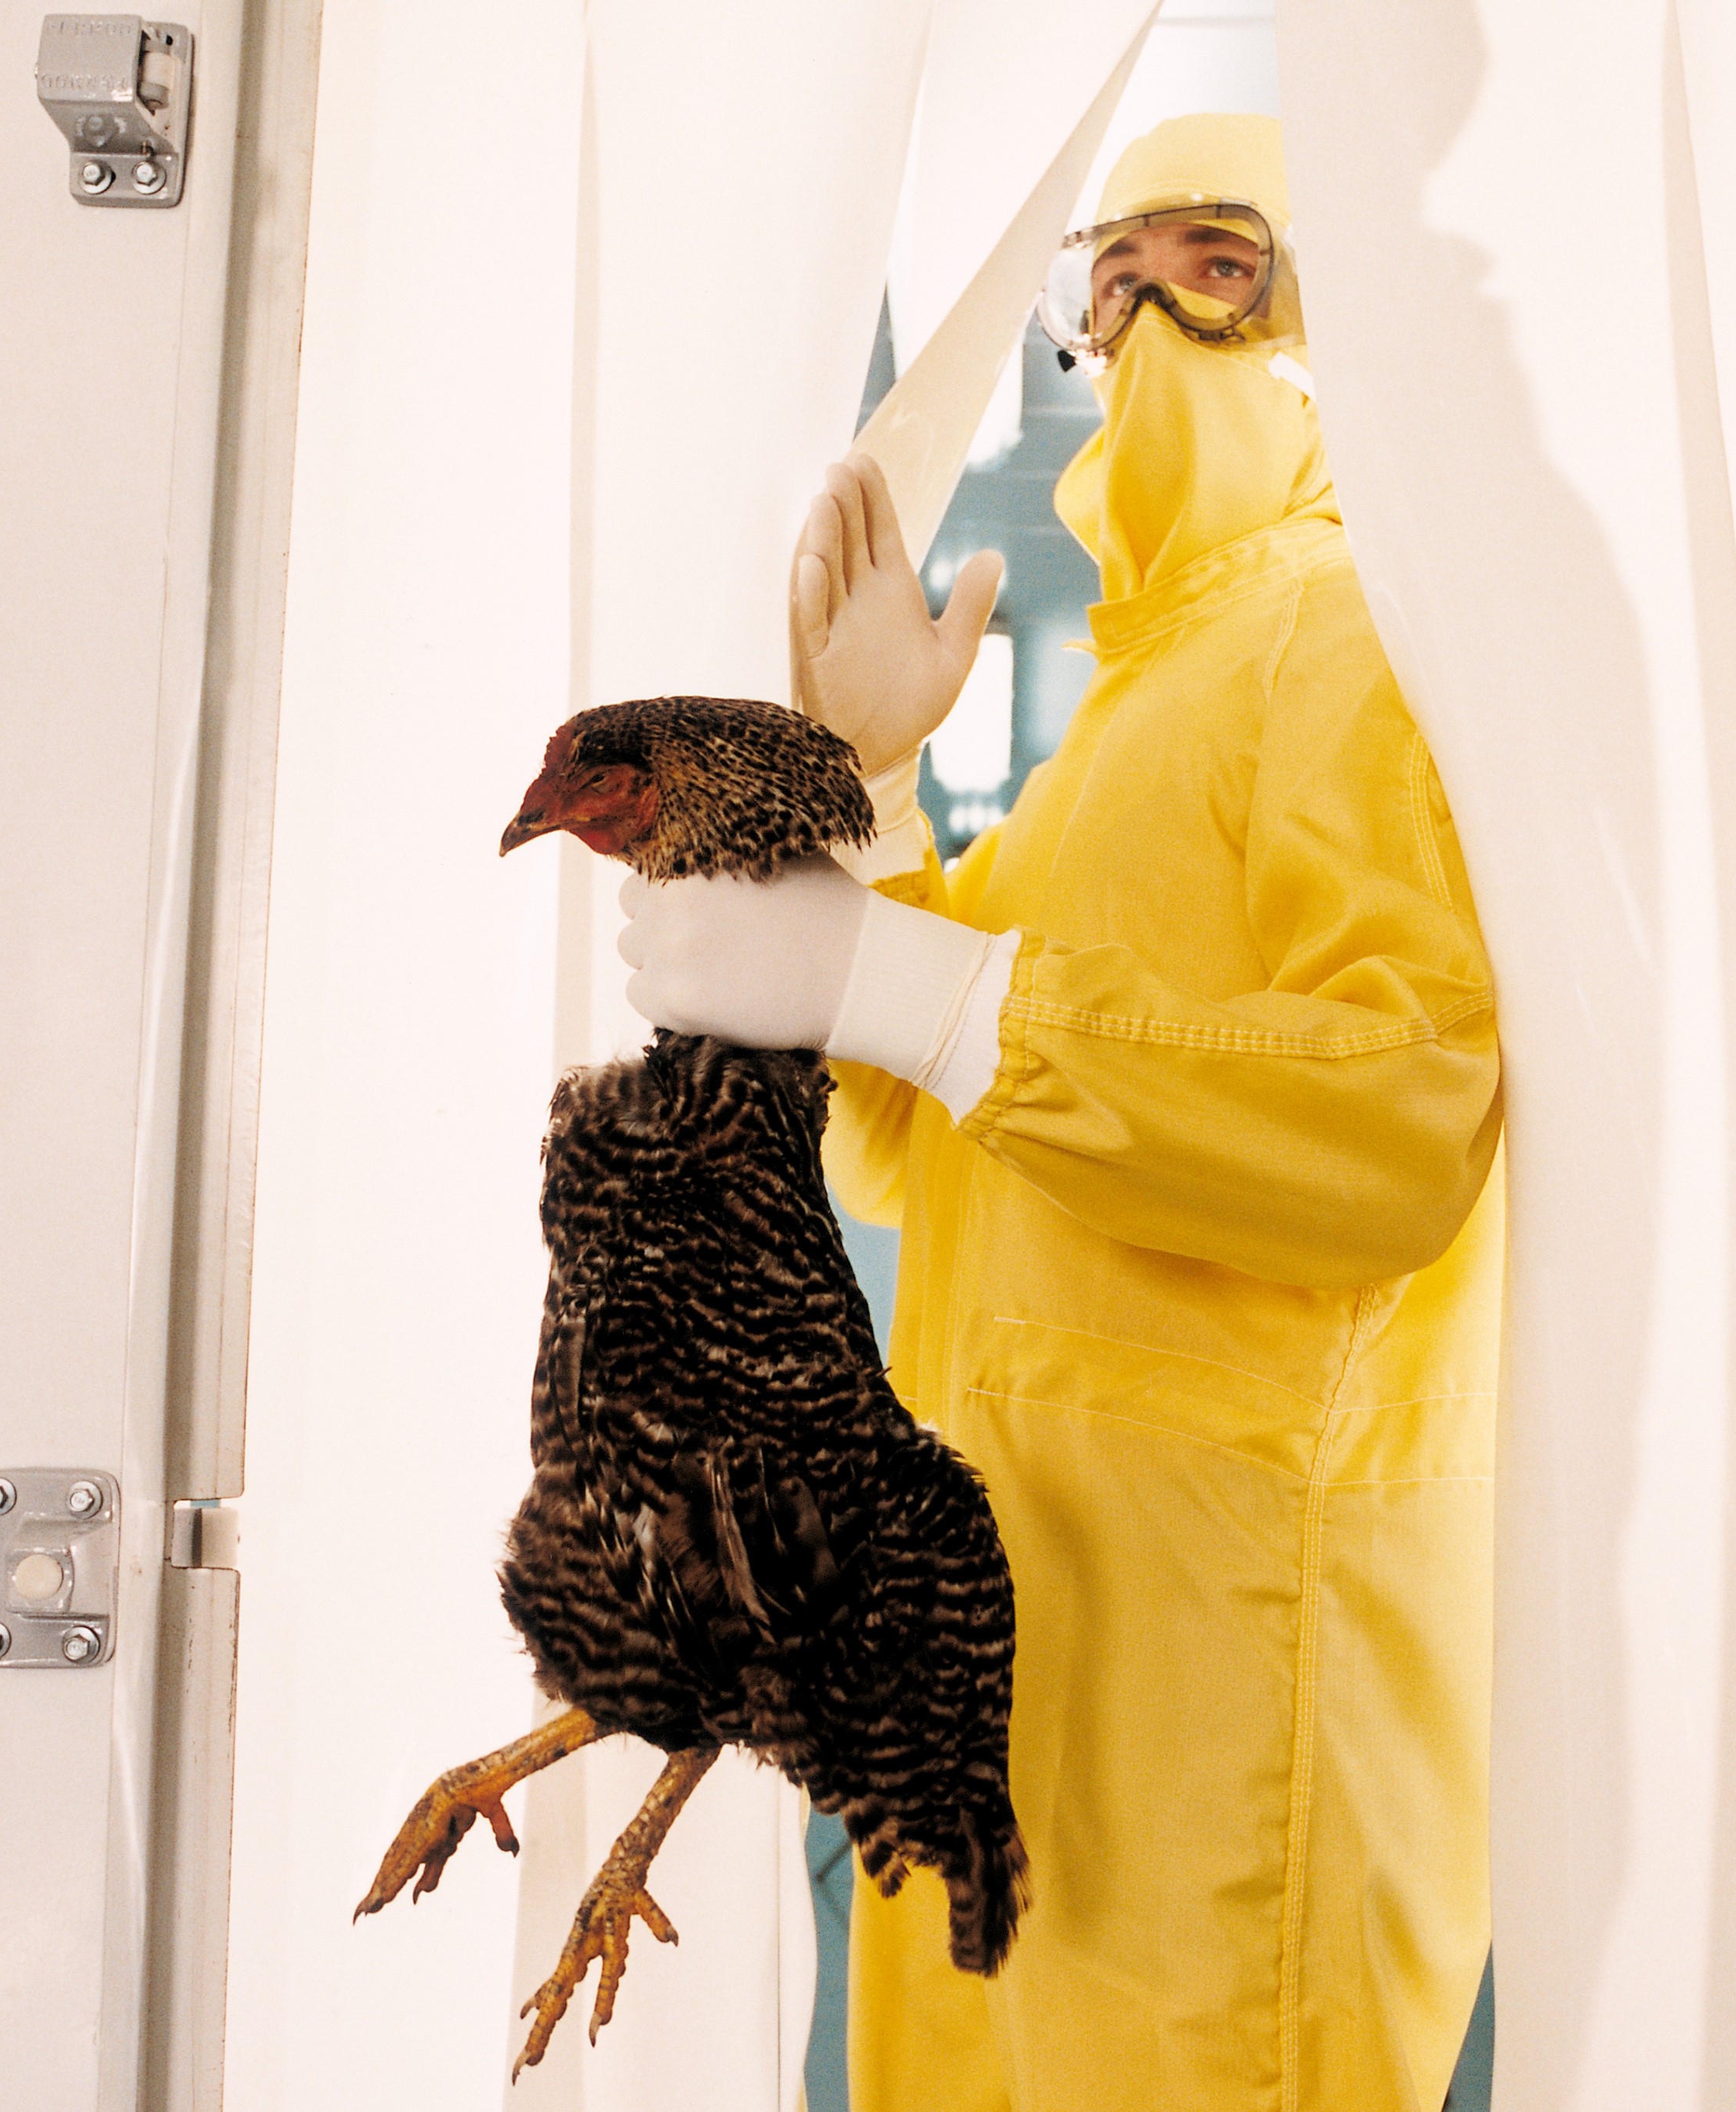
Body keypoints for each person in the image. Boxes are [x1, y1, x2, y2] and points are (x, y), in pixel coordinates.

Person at [622, 113, 1501, 2112]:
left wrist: (902, 983)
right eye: (1106, 281)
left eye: (1213, 261)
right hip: (1023, 1682)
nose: (1141, 320)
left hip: (1228, 1693)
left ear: (1331, 310)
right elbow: (924, 1143)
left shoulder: (1344, 637)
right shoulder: (1130, 713)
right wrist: (864, 796)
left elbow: (1403, 1114)